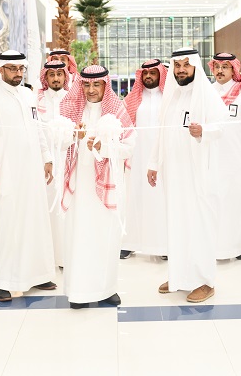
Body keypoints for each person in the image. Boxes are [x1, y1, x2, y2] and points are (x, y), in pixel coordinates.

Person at [0, 51, 57, 302]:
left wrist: (47, 157)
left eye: (21, 69)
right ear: (1, 70)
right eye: (13, 69)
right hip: (8, 171)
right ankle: (3, 280)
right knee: (7, 222)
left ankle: (38, 274)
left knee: (35, 219)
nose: (18, 73)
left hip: (32, 170)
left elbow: (37, 128)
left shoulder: (28, 95)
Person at [147, 48, 228, 303]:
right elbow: (161, 132)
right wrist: (153, 163)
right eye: (177, 65)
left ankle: (205, 281)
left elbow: (223, 125)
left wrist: (203, 131)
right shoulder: (171, 96)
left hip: (198, 175)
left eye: (186, 65)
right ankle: (179, 276)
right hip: (174, 174)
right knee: (177, 224)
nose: (181, 70)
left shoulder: (207, 95)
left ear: (195, 67)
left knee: (200, 225)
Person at [59, 65, 135, 308]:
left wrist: (104, 148)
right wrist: (73, 137)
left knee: (106, 237)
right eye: (86, 84)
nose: (91, 90)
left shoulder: (117, 111)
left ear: (105, 85)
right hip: (79, 188)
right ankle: (79, 292)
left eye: (96, 84)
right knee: (79, 237)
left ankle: (106, 289)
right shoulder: (71, 110)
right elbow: (56, 141)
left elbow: (130, 147)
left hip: (107, 186)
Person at [208, 53, 241, 261]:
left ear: (234, 70)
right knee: (214, 203)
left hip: (238, 160)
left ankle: (240, 247)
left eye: (225, 67)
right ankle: (216, 247)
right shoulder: (207, 93)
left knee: (238, 204)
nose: (220, 71)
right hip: (212, 160)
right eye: (217, 66)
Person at [122, 59, 169, 260]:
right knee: (135, 197)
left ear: (160, 74)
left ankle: (163, 245)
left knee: (161, 199)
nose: (148, 76)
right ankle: (130, 243)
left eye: (153, 73)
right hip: (137, 157)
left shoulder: (169, 97)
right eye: (145, 73)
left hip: (162, 157)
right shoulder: (133, 98)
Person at [37, 60, 70, 268]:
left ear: (65, 77)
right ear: (46, 78)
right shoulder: (37, 100)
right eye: (52, 74)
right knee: (46, 208)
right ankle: (47, 257)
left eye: (60, 74)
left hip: (69, 160)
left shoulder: (72, 98)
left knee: (67, 209)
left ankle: (65, 257)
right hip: (43, 162)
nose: (56, 78)